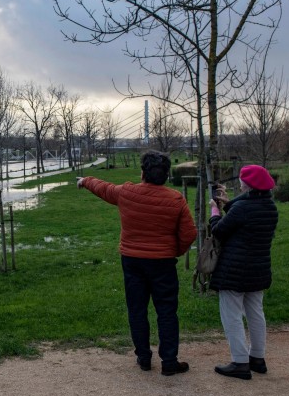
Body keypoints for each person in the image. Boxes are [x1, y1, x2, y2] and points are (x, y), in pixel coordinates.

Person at [78, 150, 197, 376]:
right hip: (163, 263)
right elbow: (189, 234)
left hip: (132, 262)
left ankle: (143, 358)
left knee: (137, 310)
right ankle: (169, 361)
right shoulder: (175, 199)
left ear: (142, 172)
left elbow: (103, 188)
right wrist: (175, 251)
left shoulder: (127, 193)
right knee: (167, 312)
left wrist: (85, 180)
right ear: (166, 175)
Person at [208, 165, 278, 380]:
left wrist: (214, 211)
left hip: (234, 269)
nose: (239, 183)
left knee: (232, 315)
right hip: (258, 269)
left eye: (241, 180)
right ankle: (257, 358)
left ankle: (240, 362)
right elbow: (243, 218)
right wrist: (229, 203)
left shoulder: (242, 209)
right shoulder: (269, 207)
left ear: (247, 184)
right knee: (256, 313)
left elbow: (219, 230)